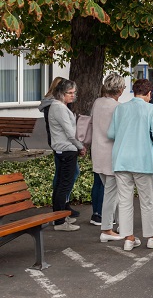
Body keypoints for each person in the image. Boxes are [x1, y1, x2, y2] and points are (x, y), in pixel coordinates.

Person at [108, 79, 153, 251]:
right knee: (147, 201)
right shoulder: (151, 108)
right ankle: (152, 236)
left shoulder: (120, 108)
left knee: (125, 201)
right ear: (149, 93)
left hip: (121, 159)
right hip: (143, 160)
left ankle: (129, 238)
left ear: (134, 92)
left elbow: (111, 133)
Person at [91, 73, 127, 242]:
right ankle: (106, 229)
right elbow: (120, 133)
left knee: (114, 192)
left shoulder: (97, 103)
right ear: (119, 90)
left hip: (97, 153)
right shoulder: (118, 108)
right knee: (112, 194)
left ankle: (121, 225)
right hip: (112, 155)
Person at [48, 79, 86, 231]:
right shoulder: (59, 108)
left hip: (64, 149)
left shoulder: (59, 106)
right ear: (61, 94)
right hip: (66, 149)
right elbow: (70, 133)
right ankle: (59, 222)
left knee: (61, 185)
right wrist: (80, 147)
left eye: (73, 93)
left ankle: (59, 217)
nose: (73, 96)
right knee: (63, 185)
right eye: (69, 93)